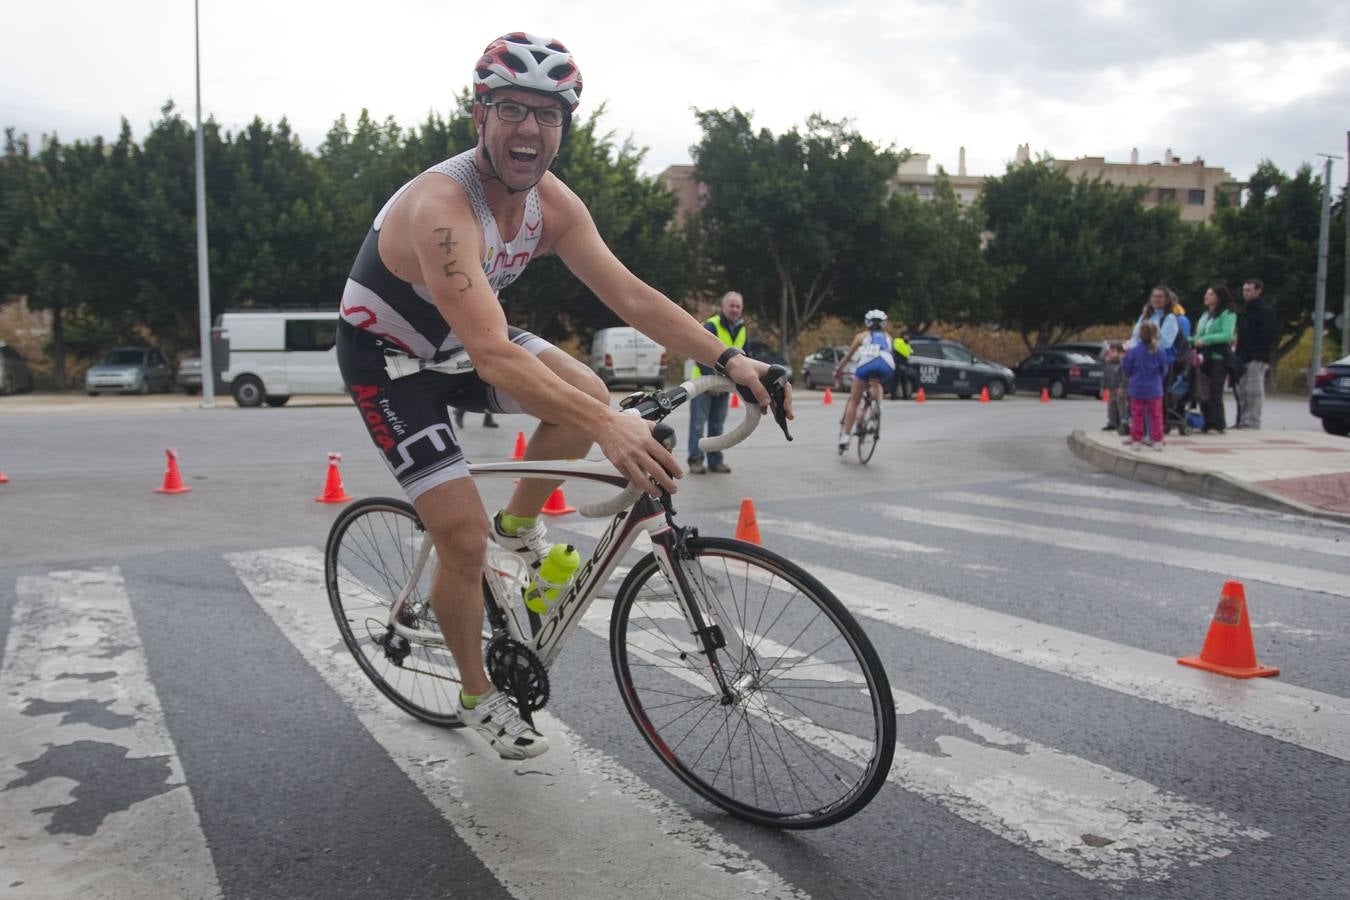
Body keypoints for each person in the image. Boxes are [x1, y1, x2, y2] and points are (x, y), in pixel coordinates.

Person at [335, 33, 791, 760]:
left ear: (564, 127)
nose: (529, 129)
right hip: (392, 364)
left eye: (548, 115)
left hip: (459, 341)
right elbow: (491, 354)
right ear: (479, 115)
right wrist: (609, 428)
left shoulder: (553, 204)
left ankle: (518, 532)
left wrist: (734, 360)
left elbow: (633, 296)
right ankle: (477, 693)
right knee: (459, 537)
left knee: (584, 384)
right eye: (512, 109)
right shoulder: (442, 209)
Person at [686, 291, 746, 474]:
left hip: (725, 385)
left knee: (717, 426)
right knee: (698, 424)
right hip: (703, 383)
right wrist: (712, 382)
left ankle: (715, 460)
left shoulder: (742, 329)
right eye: (732, 306)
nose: (735, 309)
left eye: (738, 306)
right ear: (723, 306)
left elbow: (746, 356)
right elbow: (700, 354)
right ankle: (695, 460)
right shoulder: (712, 325)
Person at [835, 310, 896, 451]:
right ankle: (878, 407)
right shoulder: (889, 337)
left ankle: (845, 436)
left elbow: (848, 357)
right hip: (887, 364)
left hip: (867, 364)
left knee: (854, 400)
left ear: (867, 323)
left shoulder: (862, 336)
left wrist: (838, 369)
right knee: (876, 382)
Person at [1192, 285, 1238, 433]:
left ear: (1218, 297)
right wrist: (1188, 340)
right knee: (1202, 389)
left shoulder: (1228, 314)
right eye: (1206, 293)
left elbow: (1227, 335)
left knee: (1214, 390)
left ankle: (1217, 424)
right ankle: (1206, 421)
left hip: (1219, 357)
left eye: (1210, 294)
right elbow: (1198, 335)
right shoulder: (1205, 316)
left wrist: (1207, 339)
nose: (1206, 296)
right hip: (1203, 356)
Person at [1234, 278, 1276, 429]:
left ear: (1258, 291)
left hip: (1257, 357)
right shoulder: (1245, 311)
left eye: (1249, 290)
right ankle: (1242, 419)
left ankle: (1252, 421)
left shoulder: (1266, 311)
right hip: (1242, 356)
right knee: (1242, 390)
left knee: (1254, 390)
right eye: (1244, 290)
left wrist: (1258, 355)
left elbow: (1268, 335)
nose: (1245, 293)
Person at [1121, 321, 1169, 451]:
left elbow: (1126, 368)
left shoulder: (1133, 352)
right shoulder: (1159, 352)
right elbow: (1164, 369)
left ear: (1140, 335)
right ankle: (1157, 439)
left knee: (1137, 415)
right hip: (1154, 388)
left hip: (1137, 388)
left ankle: (1137, 439)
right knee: (1156, 415)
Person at [1128, 286, 1181, 365]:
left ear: (1167, 300)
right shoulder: (1144, 316)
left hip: (1158, 362)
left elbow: (1165, 343)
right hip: (1140, 360)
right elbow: (1135, 336)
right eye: (1154, 296)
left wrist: (1143, 351)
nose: (1156, 299)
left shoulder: (1170, 318)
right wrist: (1135, 351)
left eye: (1160, 297)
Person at [1100, 341, 1129, 434]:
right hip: (1111, 389)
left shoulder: (1122, 364)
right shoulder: (1108, 363)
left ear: (1120, 353)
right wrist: (1103, 387)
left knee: (1121, 407)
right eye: (1110, 351)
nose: (1111, 354)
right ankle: (1112, 423)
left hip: (1120, 389)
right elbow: (1105, 376)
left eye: (1113, 352)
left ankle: (1123, 424)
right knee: (1111, 407)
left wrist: (1122, 387)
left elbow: (1124, 377)